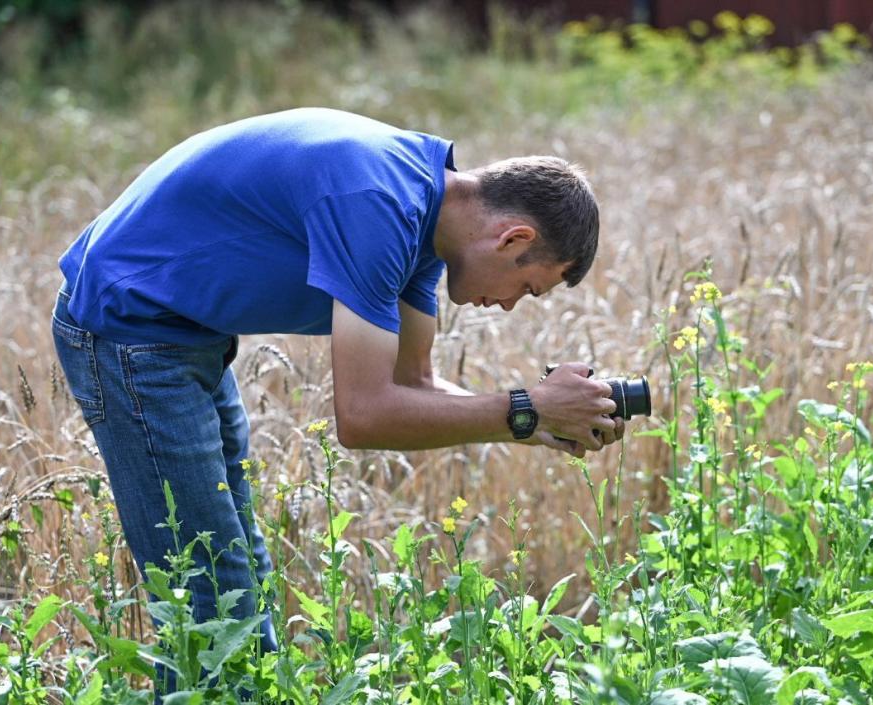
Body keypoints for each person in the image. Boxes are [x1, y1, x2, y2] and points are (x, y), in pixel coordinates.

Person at [50, 107, 624, 693]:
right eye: (527, 288)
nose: (509, 305)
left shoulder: (425, 215)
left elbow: (415, 384)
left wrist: (539, 421)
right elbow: (365, 414)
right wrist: (526, 407)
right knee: (207, 595)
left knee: (239, 571)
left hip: (186, 331)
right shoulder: (379, 203)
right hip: (128, 329)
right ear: (514, 238)